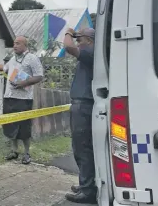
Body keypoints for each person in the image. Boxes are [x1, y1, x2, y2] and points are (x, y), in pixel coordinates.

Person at [0, 36, 43, 164]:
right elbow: (4, 68)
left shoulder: (32, 59)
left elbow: (39, 76)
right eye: (14, 43)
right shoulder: (13, 59)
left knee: (24, 127)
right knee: (10, 125)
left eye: (18, 43)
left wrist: (25, 82)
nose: (15, 46)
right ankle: (14, 151)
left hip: (24, 99)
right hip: (9, 97)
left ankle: (27, 153)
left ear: (25, 45)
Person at [62, 27, 97, 204]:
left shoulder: (91, 53)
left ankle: (87, 189)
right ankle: (87, 183)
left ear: (89, 41)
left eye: (79, 39)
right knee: (81, 148)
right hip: (81, 105)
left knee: (83, 148)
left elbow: (67, 47)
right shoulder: (88, 54)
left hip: (84, 106)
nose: (77, 42)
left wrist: (68, 32)